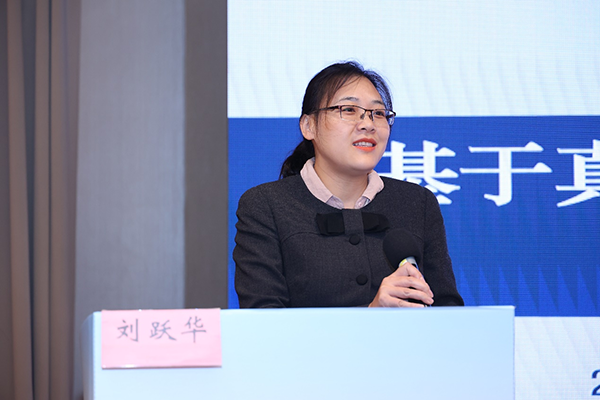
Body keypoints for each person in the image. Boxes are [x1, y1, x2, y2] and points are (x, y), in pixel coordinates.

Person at [234, 61, 463, 308]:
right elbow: (263, 319)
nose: (368, 124)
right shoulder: (266, 206)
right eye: (349, 110)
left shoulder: (417, 203)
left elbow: (449, 311)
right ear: (309, 126)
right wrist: (372, 313)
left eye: (378, 113)